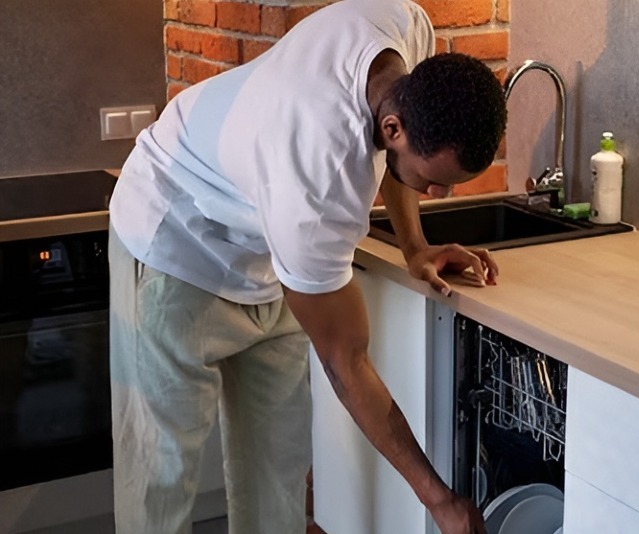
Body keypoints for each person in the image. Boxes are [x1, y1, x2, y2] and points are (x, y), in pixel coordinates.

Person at [107, 0, 507, 532]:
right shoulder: (319, 189)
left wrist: (415, 245)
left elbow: (394, 144)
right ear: (392, 127)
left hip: (264, 247)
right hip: (172, 234)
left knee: (279, 470)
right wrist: (439, 500)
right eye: (436, 179)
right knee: (164, 475)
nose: (439, 192)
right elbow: (348, 364)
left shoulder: (403, 25)